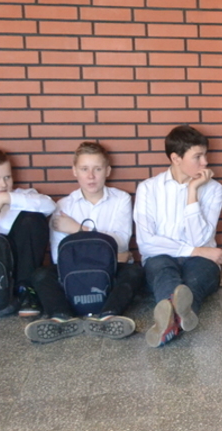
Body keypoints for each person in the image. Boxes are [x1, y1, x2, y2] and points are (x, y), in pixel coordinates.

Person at [24, 142, 143, 343]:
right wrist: (111, 253)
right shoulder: (63, 206)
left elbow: (121, 242)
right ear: (75, 171)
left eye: (97, 169)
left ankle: (108, 316)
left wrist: (77, 229)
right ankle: (61, 317)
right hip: (76, 275)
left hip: (109, 272)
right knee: (41, 274)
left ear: (107, 171)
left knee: (135, 272)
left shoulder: (121, 199)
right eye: (84, 169)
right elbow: (60, 257)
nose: (91, 176)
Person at [134, 125, 222, 348]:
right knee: (163, 272)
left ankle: (168, 322)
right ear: (176, 158)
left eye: (205, 155)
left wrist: (192, 191)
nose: (205, 162)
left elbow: (199, 239)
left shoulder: (214, 189)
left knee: (194, 282)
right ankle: (180, 317)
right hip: (162, 257)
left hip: (202, 261)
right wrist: (196, 251)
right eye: (198, 156)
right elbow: (146, 243)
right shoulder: (148, 188)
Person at [0, 146, 55, 317]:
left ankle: (26, 291)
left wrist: (5, 198)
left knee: (33, 219)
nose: (3, 184)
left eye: (7, 177)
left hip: (17, 269)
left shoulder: (22, 196)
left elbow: (50, 205)